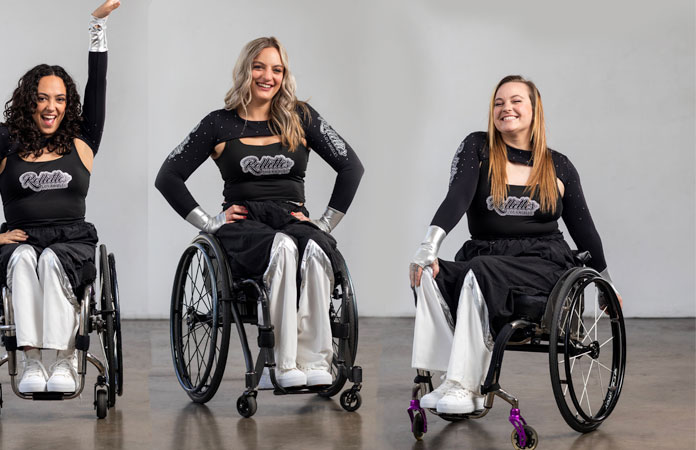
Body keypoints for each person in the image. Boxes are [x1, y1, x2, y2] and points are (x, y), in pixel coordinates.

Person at [156, 37, 364, 388]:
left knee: (316, 248)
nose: (268, 76)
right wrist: (209, 222)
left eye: (277, 69)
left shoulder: (301, 117)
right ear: (245, 71)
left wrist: (325, 223)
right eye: (259, 67)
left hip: (290, 215)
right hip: (244, 225)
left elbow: (351, 167)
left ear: (284, 75)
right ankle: (282, 364)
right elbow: (168, 177)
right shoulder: (218, 124)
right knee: (281, 246)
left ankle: (315, 362)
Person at [408, 75, 621, 414]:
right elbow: (457, 198)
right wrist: (428, 247)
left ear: (535, 110)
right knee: (431, 274)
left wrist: (605, 283)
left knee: (480, 272)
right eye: (498, 102)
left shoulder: (558, 165)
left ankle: (466, 385)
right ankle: (451, 376)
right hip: (486, 254)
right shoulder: (477, 147)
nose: (506, 107)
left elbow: (586, 232)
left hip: (544, 263)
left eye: (516, 100)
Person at [0, 0, 120, 393]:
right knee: (23, 260)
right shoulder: (6, 139)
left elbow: (98, 85)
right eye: (43, 97)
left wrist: (97, 27)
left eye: (59, 99)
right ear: (30, 100)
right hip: (22, 237)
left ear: (67, 103)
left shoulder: (83, 139)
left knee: (53, 261)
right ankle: (33, 362)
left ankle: (62, 361)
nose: (51, 106)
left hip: (71, 240)